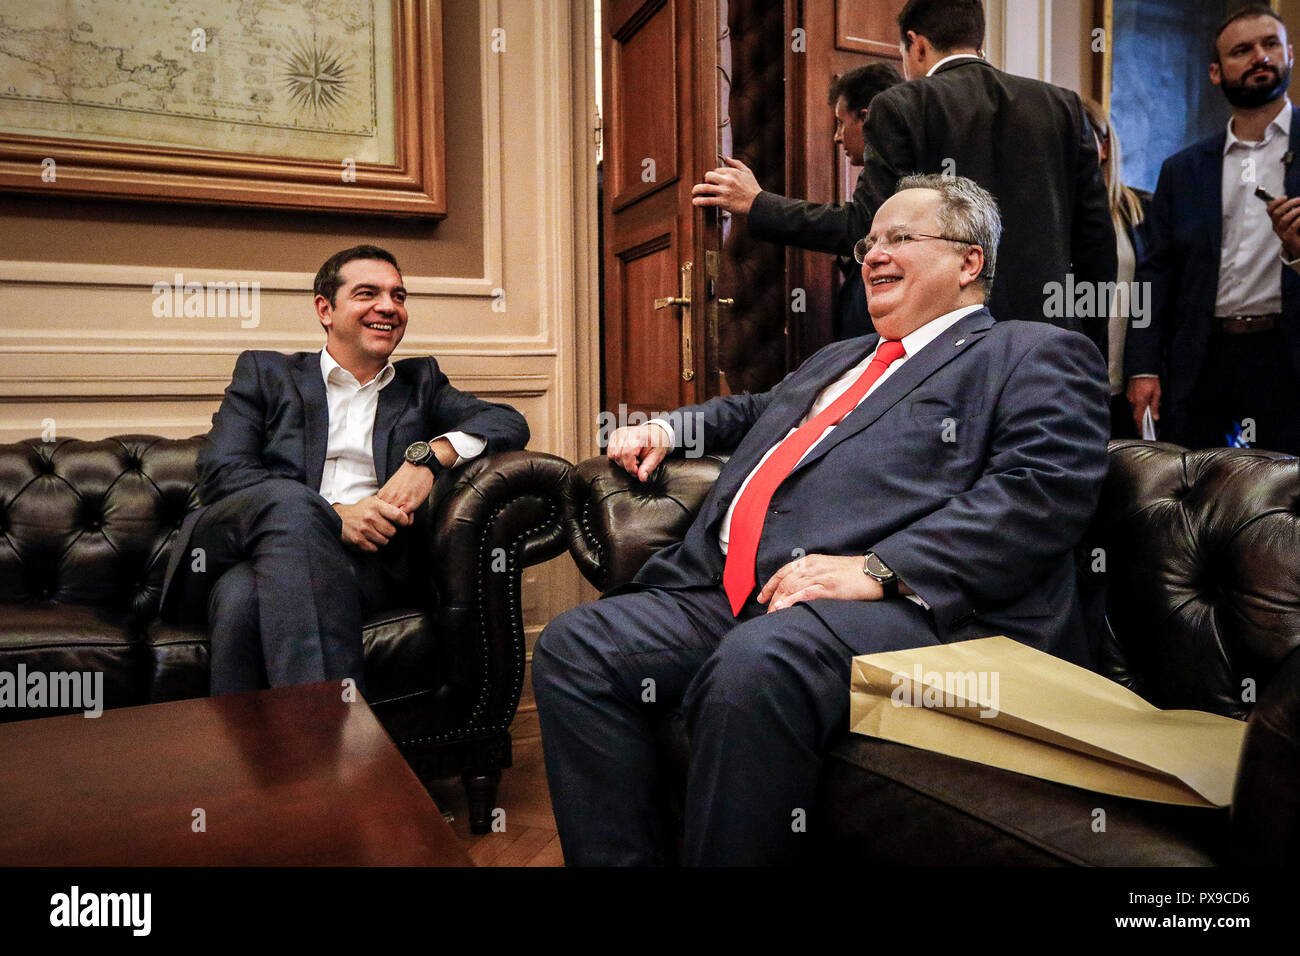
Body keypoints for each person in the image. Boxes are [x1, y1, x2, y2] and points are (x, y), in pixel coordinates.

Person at [532, 175, 1110, 866]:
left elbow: (1040, 492)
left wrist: (879, 569)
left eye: (900, 238)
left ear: (969, 262)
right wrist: (666, 426)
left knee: (755, 667)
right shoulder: (842, 356)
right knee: (575, 644)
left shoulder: (1032, 352)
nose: (872, 254)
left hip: (911, 614)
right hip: (726, 590)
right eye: (870, 241)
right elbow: (750, 412)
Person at [159, 245, 529, 693]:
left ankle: (258, 761)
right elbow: (223, 473)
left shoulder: (421, 383)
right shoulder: (265, 372)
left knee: (243, 597)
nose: (388, 307)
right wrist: (332, 516)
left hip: (362, 566)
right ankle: (334, 748)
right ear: (325, 309)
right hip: (240, 542)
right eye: (367, 293)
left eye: (398, 295)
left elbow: (509, 422)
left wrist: (430, 458)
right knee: (292, 504)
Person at [858, 0, 1116, 350]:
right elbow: (1096, 244)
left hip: (944, 346)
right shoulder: (1063, 106)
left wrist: (762, 205)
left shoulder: (899, 107)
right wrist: (1086, 342)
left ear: (916, 44)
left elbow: (869, 226)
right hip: (1050, 341)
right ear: (980, 42)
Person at [1126, 4, 1300, 454]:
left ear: (1289, 54)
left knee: (1285, 502)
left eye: (1270, 45)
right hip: (1202, 357)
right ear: (1216, 72)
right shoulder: (1182, 170)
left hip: (1288, 354)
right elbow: (1154, 274)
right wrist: (1142, 367)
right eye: (1241, 51)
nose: (1259, 57)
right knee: (1194, 495)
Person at [691, 63, 902, 339]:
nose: (837, 137)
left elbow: (858, 225)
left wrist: (757, 202)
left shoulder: (892, 166)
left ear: (866, 119)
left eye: (841, 123)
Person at [1080, 96, 1152, 438]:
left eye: (1082, 136)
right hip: (1069, 389)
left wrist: (1148, 369)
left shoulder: (1142, 211)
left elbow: (1157, 297)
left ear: (1104, 147)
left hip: (1127, 389)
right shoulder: (1046, 212)